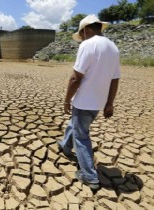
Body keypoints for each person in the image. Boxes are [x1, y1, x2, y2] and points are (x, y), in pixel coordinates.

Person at [57, 14, 120, 190]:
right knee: (76, 125)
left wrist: (66, 100)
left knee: (82, 136)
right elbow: (115, 79)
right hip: (99, 103)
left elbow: (75, 78)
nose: (81, 37)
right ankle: (64, 145)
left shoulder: (87, 44)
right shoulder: (113, 47)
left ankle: (89, 176)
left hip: (84, 101)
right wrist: (109, 103)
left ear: (86, 29)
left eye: (81, 33)